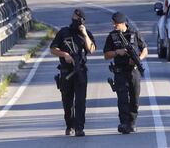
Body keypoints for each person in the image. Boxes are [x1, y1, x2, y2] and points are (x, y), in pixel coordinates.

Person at [51, 8, 96, 137]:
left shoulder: (86, 34)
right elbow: (53, 49)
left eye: (78, 19)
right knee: (67, 102)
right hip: (66, 72)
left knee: (80, 102)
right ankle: (69, 124)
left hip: (80, 71)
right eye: (74, 18)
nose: (75, 20)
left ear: (83, 21)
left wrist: (85, 34)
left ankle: (79, 127)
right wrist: (64, 54)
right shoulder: (63, 32)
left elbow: (91, 49)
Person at [103, 12, 148, 134]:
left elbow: (144, 49)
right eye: (113, 23)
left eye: (116, 24)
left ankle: (132, 123)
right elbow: (106, 55)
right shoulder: (112, 36)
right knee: (122, 99)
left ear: (123, 23)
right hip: (120, 72)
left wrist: (138, 59)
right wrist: (117, 52)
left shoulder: (134, 33)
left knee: (135, 99)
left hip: (133, 71)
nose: (114, 26)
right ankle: (124, 123)